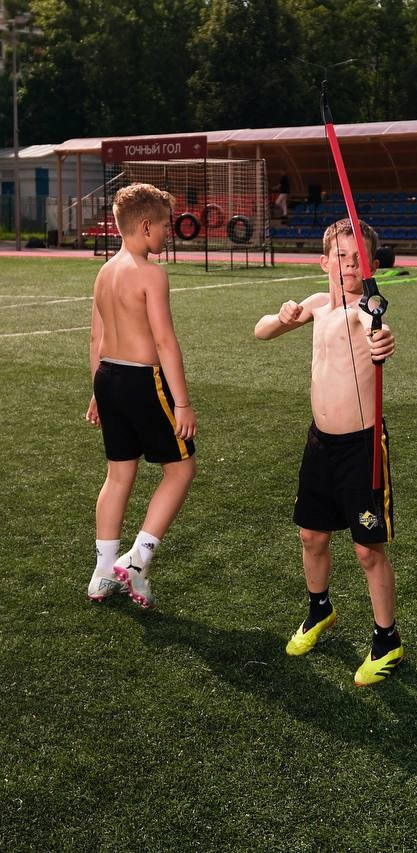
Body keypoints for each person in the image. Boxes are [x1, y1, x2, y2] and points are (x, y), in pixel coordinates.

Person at [253, 218, 405, 687]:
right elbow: (261, 332)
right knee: (311, 536)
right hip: (319, 443)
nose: (350, 265)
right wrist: (282, 316)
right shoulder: (317, 305)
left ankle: (387, 640)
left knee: (367, 550)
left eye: (359, 258)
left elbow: (375, 328)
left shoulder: (366, 308)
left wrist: (382, 339)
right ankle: (319, 610)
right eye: (341, 256)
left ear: (373, 266)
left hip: (361, 448)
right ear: (324, 262)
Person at [85, 183, 198, 609]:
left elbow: (96, 338)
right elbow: (165, 342)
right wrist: (183, 403)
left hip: (109, 379)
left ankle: (102, 573)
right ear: (146, 226)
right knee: (181, 470)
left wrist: (97, 390)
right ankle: (136, 562)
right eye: (166, 225)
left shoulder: (103, 273)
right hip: (143, 381)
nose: (169, 233)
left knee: (118, 475)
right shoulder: (151, 273)